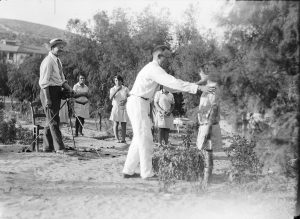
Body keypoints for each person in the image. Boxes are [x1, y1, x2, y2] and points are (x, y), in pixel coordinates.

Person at [122, 45, 215, 179]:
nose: (168, 60)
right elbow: (173, 82)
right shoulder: (154, 69)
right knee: (145, 138)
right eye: (166, 57)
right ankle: (146, 173)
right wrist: (198, 88)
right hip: (138, 102)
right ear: (159, 56)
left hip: (140, 103)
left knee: (139, 138)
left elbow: (171, 87)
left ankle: (128, 170)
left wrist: (196, 84)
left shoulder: (153, 69)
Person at [39, 38, 75, 153]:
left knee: (52, 119)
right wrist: (48, 99)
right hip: (48, 92)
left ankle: (47, 146)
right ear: (52, 47)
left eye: (62, 47)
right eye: (59, 47)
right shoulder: (48, 61)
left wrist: (70, 90)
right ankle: (59, 148)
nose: (61, 49)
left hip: (56, 91)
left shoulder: (57, 61)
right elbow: (44, 83)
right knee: (54, 120)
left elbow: (61, 79)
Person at [196, 64, 222, 187]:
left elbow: (214, 109)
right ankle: (205, 180)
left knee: (207, 153)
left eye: (201, 74)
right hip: (204, 124)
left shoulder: (213, 88)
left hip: (208, 124)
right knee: (205, 152)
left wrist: (208, 129)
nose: (200, 76)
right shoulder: (208, 87)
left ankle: (207, 181)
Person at [109, 75, 129, 143]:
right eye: (116, 80)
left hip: (123, 107)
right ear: (114, 81)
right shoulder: (113, 89)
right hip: (116, 107)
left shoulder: (125, 88)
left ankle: (123, 139)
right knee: (116, 123)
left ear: (121, 81)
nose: (117, 82)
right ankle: (117, 139)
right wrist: (117, 90)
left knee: (123, 123)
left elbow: (129, 97)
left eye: (119, 80)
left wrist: (125, 100)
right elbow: (110, 98)